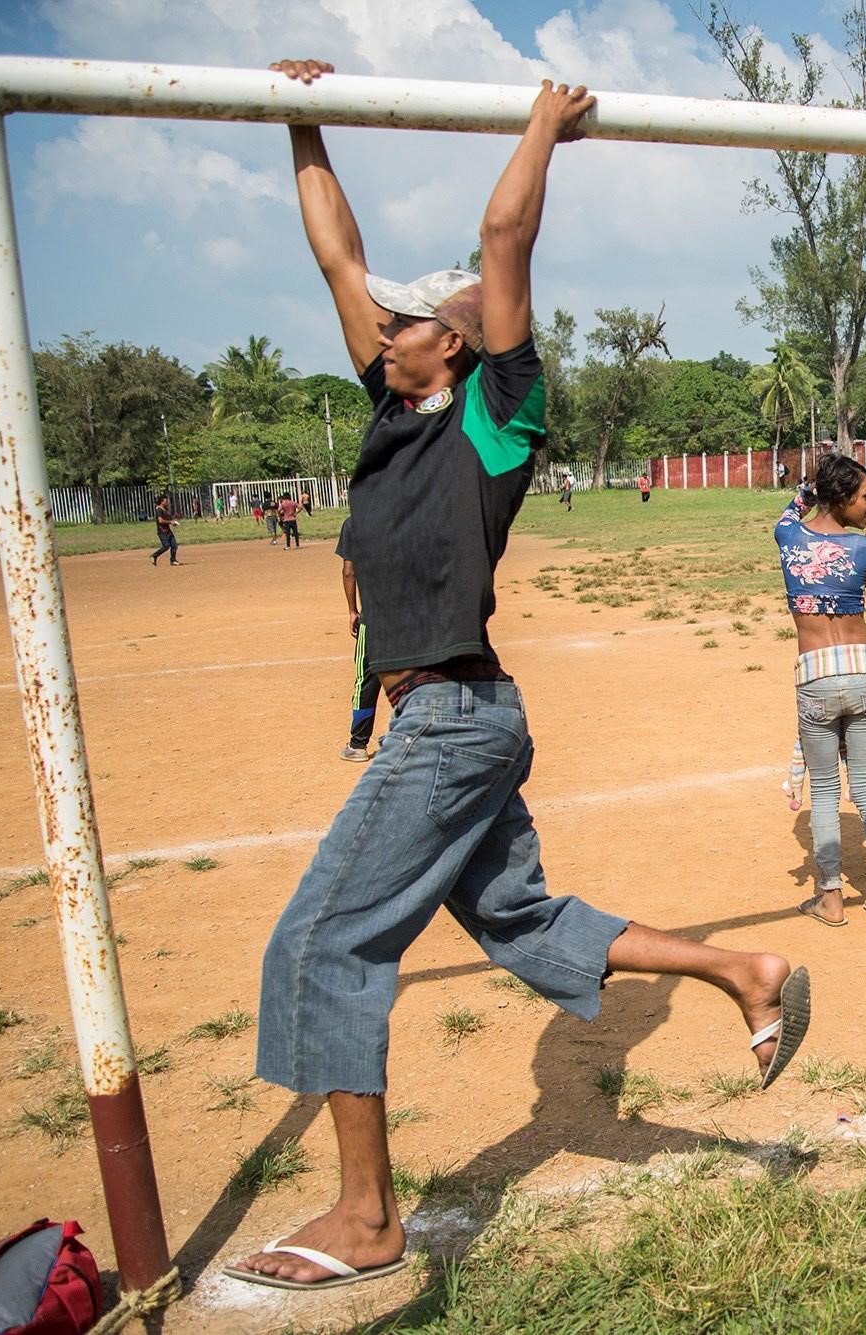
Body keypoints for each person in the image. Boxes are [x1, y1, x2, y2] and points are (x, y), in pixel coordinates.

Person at [229, 62, 810, 1293]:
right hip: (452, 719)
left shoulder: (496, 419)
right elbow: (338, 259)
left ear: (463, 337)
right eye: (384, 325)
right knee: (521, 921)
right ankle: (741, 973)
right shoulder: (389, 414)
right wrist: (298, 117)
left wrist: (544, 122)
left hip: (449, 719)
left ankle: (366, 1219)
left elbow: (501, 238)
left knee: (323, 946)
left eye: (411, 319)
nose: (385, 328)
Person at [778, 457, 866, 928]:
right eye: (863, 494)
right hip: (864, 673)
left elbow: (794, 508)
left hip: (816, 676)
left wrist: (817, 487)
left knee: (826, 793)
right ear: (842, 498)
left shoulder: (787, 535)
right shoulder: (864, 548)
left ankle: (831, 900)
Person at [338, 518, 379, 762]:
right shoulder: (411, 513)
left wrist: (353, 610)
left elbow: (349, 571)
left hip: (374, 617)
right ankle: (412, 736)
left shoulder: (355, 522)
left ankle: (358, 745)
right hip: (411, 614)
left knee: (365, 679)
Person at [150, 493, 181, 566]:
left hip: (168, 531)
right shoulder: (159, 509)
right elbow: (160, 521)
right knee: (166, 546)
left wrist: (174, 521)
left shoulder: (165, 509)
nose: (167, 502)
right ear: (162, 501)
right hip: (162, 531)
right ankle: (154, 556)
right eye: (166, 501)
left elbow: (168, 519)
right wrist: (170, 522)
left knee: (174, 545)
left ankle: (173, 560)